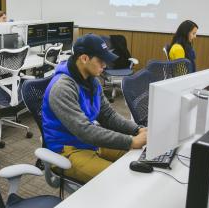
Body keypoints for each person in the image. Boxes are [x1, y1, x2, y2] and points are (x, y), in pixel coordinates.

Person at [42, 34, 147, 183]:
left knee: (139, 157)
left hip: (89, 142)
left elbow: (108, 116)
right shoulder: (62, 88)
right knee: (120, 179)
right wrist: (131, 141)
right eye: (101, 60)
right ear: (84, 59)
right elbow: (85, 130)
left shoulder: (92, 81)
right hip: (67, 150)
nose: (105, 65)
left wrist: (137, 130)